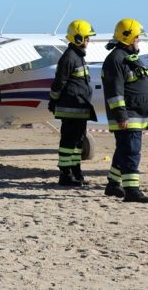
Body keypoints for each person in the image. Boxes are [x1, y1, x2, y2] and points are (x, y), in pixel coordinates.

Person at [102, 18, 148, 203]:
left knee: (123, 150)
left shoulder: (129, 58)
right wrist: (121, 115)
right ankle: (132, 190)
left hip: (136, 115)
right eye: (137, 38)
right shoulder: (115, 59)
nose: (138, 41)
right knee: (131, 151)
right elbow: (114, 91)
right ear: (127, 37)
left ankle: (113, 184)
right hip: (128, 116)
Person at [48, 19, 97, 187]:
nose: (88, 41)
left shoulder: (79, 57)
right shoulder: (69, 58)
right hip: (71, 108)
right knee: (68, 143)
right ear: (77, 38)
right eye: (87, 38)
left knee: (77, 142)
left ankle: (76, 171)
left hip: (80, 107)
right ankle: (65, 174)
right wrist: (53, 100)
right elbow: (59, 83)